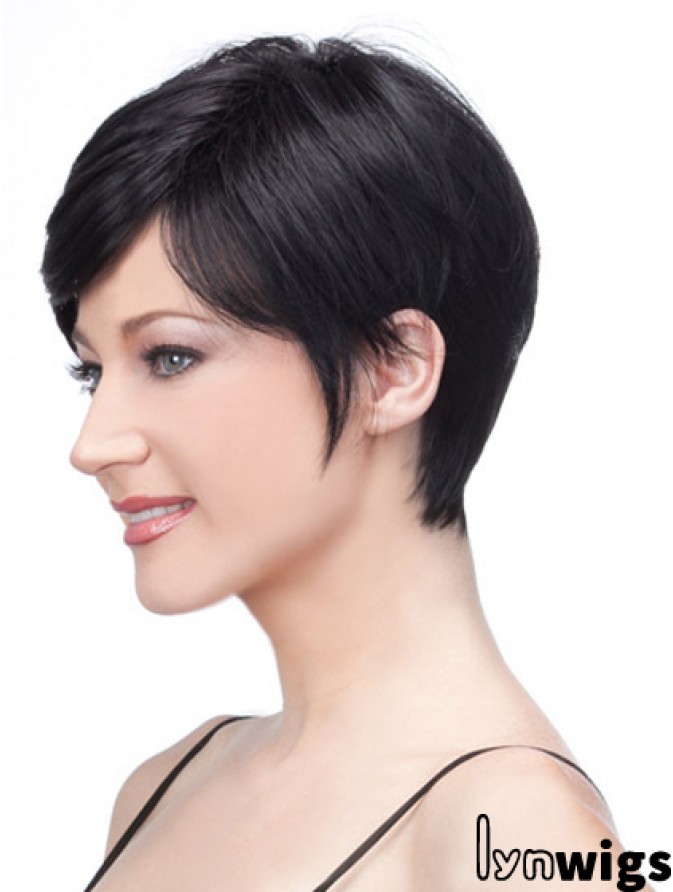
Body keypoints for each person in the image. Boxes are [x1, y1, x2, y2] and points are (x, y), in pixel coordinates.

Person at [41, 34, 650, 892]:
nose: (93, 444)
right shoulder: (164, 788)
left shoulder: (514, 836)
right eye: (92, 372)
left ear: (392, 369)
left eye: (170, 357)